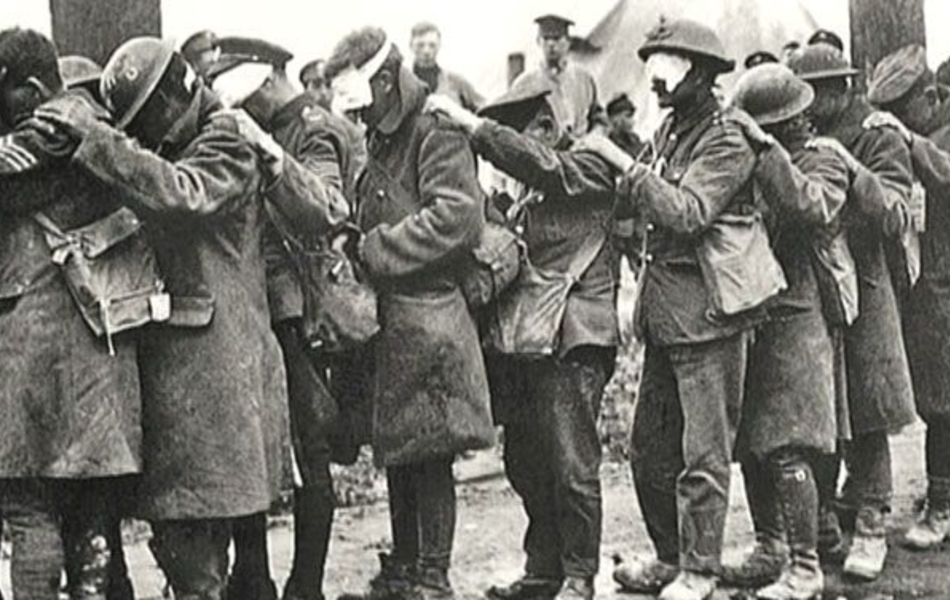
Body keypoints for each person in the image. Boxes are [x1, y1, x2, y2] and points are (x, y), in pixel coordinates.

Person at [35, 36, 288, 599]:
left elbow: (183, 194)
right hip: (181, 386)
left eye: (144, 118)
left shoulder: (226, 139)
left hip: (214, 381)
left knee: (200, 549)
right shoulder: (170, 147)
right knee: (186, 546)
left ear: (176, 93)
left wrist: (97, 138)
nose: (142, 133)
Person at [586, 17, 771, 600]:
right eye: (653, 69)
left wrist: (625, 168)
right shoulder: (669, 131)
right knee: (649, 451)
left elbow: (689, 212)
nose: (657, 82)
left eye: (670, 70)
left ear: (703, 75)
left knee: (703, 456)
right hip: (667, 318)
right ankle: (672, 558)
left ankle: (699, 569)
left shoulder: (727, 136)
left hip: (709, 317)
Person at [429, 77, 620, 600]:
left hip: (574, 337)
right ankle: (545, 568)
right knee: (526, 462)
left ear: (543, 126)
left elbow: (545, 167)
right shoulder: (525, 192)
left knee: (571, 462)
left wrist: (474, 127)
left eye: (514, 133)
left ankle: (580, 574)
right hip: (529, 340)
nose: (504, 150)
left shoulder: (587, 162)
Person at [325, 27, 494, 600]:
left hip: (431, 316)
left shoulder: (435, 129)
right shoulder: (380, 136)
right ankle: (404, 568)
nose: (360, 113)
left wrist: (374, 249)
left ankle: (432, 577)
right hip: (395, 321)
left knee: (430, 455)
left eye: (362, 99)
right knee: (400, 450)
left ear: (382, 79)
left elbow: (456, 217)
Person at [209, 37, 355, 600]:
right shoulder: (257, 125)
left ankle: (305, 585)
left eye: (246, 97)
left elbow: (325, 208)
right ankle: (254, 579)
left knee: (308, 445)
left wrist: (267, 151)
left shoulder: (314, 129)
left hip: (303, 315)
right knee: (255, 444)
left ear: (269, 79)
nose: (240, 112)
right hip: (258, 308)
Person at [0, 28, 143, 600]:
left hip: (36, 359)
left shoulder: (51, 132)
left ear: (30, 90)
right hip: (95, 358)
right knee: (90, 516)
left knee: (28, 507)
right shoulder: (92, 123)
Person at [789, 43, 918, 582]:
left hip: (866, 287)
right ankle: (824, 521)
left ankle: (871, 522)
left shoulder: (878, 134)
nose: (805, 105)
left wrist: (849, 165)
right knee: (821, 411)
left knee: (867, 413)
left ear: (841, 89)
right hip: (818, 289)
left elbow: (897, 214)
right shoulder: (798, 136)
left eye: (814, 93)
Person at [725, 63, 853, 599]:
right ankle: (770, 547)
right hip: (756, 315)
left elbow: (811, 206)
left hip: (800, 317)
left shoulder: (824, 159)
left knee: (789, 443)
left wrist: (766, 153)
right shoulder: (755, 163)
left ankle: (805, 565)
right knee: (752, 443)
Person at [864, 44, 950, 551]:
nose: (895, 121)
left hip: (943, 285)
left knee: (943, 402)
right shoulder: (922, 132)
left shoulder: (933, 137)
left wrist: (911, 139)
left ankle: (941, 506)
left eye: (904, 109)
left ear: (930, 96)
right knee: (934, 396)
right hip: (927, 287)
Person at [510, 14, 603, 138]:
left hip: (581, 151)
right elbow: (514, 127)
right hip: (543, 152)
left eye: (557, 38)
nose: (551, 44)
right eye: (546, 38)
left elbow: (599, 119)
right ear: (538, 41)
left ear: (568, 42)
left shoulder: (584, 79)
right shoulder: (524, 83)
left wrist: (593, 137)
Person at [409, 22, 483, 111]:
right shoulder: (403, 84)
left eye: (432, 45)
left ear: (439, 46)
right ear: (411, 46)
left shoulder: (456, 82)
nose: (426, 51)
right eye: (420, 45)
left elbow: (484, 108)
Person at [605, 93, 646, 158]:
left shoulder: (634, 138)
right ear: (614, 118)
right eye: (628, 116)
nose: (633, 121)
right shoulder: (608, 143)